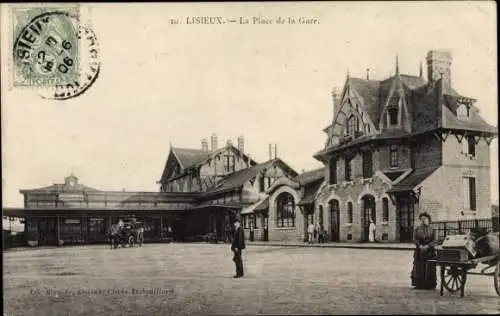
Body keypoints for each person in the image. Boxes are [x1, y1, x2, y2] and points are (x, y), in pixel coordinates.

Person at [411, 212, 437, 290]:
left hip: (430, 251)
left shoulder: (432, 229)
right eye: (421, 219)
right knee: (419, 266)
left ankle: (430, 284)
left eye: (425, 219)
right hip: (420, 251)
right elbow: (414, 239)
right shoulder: (417, 229)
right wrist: (420, 246)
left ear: (428, 220)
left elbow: (435, 240)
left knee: (430, 266)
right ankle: (419, 284)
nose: (423, 221)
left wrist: (428, 245)